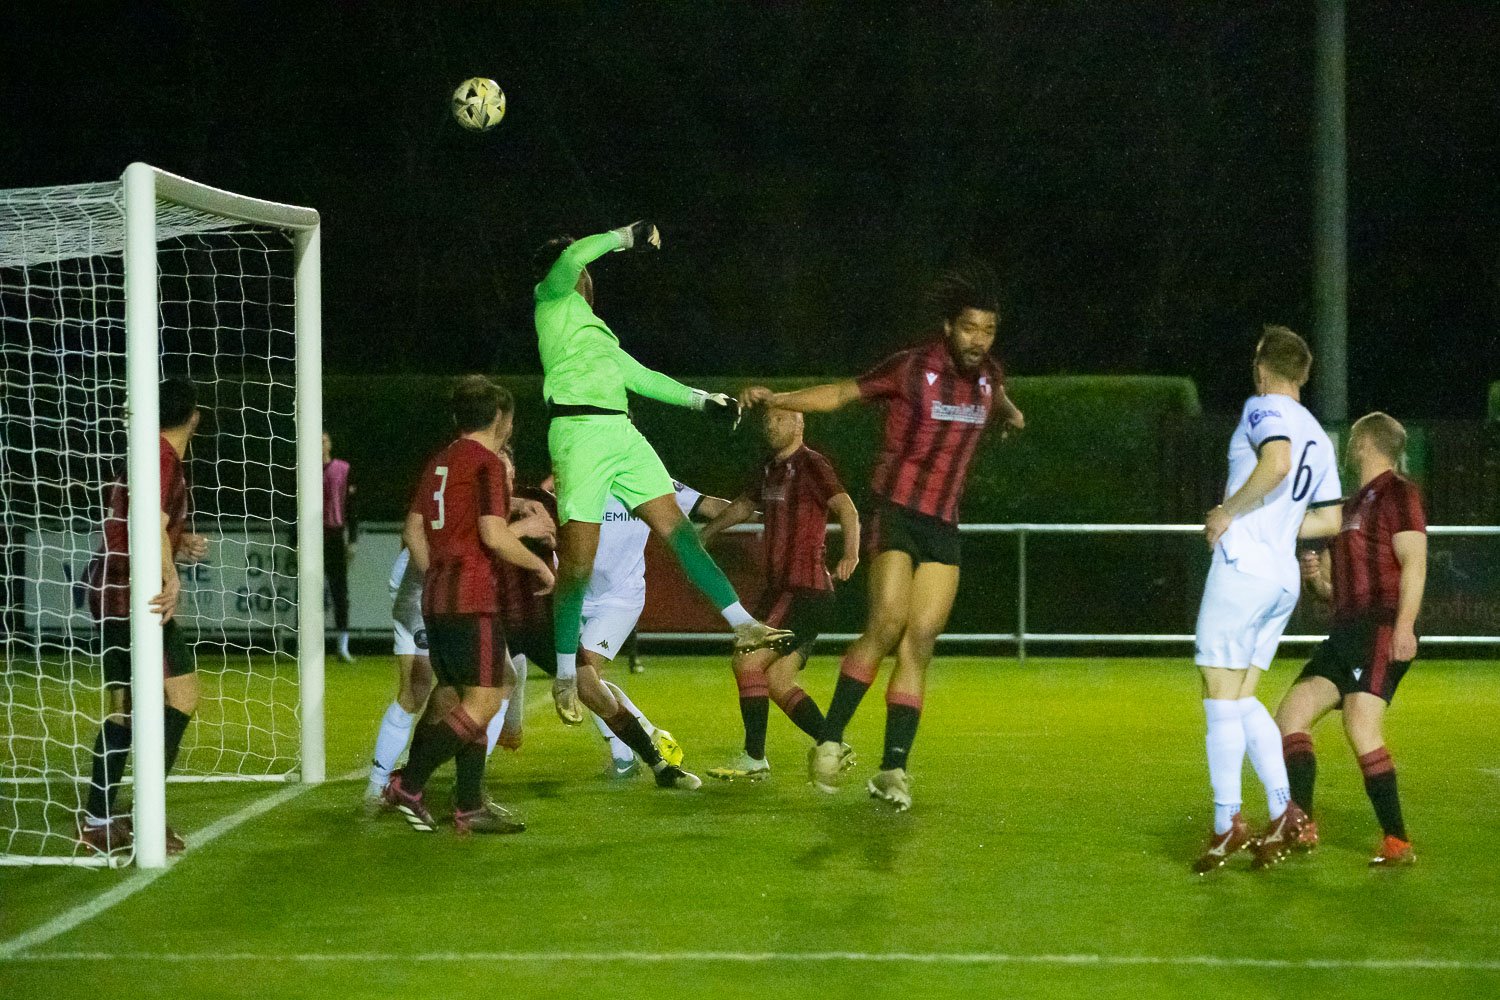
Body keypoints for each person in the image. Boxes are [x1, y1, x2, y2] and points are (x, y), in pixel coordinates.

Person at [740, 261, 1024, 810]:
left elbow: (1002, 401)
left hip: (943, 524)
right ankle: (828, 739)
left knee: (920, 641)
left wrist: (1012, 416)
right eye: (970, 329)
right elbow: (842, 394)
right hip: (896, 512)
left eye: (988, 331)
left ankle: (893, 770)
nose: (978, 340)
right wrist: (779, 399)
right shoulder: (913, 368)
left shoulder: (990, 376)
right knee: (888, 622)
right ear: (948, 327)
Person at [532, 222, 796, 726]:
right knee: (578, 571)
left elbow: (642, 378)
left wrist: (704, 402)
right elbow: (568, 261)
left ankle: (741, 624)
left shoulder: (595, 332)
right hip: (578, 432)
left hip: (621, 434)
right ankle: (566, 672)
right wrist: (624, 236)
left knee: (680, 533)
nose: (587, 273)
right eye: (582, 266)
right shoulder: (550, 299)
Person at [1189, 326, 1344, 874]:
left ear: (1262, 369)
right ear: (1304, 374)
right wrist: (1279, 524)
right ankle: (1283, 811)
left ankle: (1225, 822)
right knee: (1241, 695)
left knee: (1217, 691)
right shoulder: (1321, 437)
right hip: (1280, 577)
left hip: (1245, 567)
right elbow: (1331, 518)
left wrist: (1229, 511)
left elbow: (1276, 463)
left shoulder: (1262, 408)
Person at [381, 376, 553, 835]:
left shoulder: (440, 461)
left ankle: (470, 803)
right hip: (470, 596)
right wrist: (539, 566)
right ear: (501, 418)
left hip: (439, 595)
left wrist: (437, 567)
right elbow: (494, 534)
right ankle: (408, 783)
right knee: (486, 696)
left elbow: (414, 528)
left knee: (480, 686)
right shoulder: (487, 463)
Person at [1275, 412, 1427, 868]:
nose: (1348, 447)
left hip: (1379, 627)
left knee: (1360, 724)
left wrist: (1404, 627)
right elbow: (1337, 591)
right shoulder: (1349, 505)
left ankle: (1397, 842)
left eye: (1353, 439)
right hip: (1345, 632)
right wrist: (1318, 581)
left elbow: (1414, 562)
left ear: (1365, 443)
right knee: (1290, 716)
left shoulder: (1399, 492)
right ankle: (1300, 824)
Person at [77, 378, 210, 856]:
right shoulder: (160, 455)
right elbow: (148, 519)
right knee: (181, 695)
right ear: (194, 415)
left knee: (128, 708)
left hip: (115, 587)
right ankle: (139, 815)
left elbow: (149, 522)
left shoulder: (152, 451)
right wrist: (169, 576)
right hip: (131, 591)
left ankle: (99, 818)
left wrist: (181, 542)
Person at [701, 406, 861, 782]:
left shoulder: (812, 464)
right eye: (767, 420)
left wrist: (851, 552)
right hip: (792, 594)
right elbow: (743, 504)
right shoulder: (769, 468)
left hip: (801, 591)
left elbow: (847, 508)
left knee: (746, 662)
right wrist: (708, 533)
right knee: (778, 683)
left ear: (799, 423)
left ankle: (754, 759)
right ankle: (831, 743)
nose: (770, 425)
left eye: (779, 419)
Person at [572, 474, 727, 784]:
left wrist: (778, 514)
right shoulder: (579, 470)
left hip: (619, 599)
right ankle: (639, 744)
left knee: (583, 675)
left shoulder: (644, 474)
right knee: (585, 679)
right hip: (575, 594)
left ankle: (635, 748)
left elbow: (709, 506)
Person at [322, 431, 357, 663]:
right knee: (311, 591)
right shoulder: (304, 469)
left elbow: (352, 506)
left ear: (331, 443)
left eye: (325, 439)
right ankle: (307, 645)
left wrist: (352, 539)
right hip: (312, 535)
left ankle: (342, 646)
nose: (321, 444)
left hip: (334, 534)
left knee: (339, 591)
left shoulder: (342, 469)